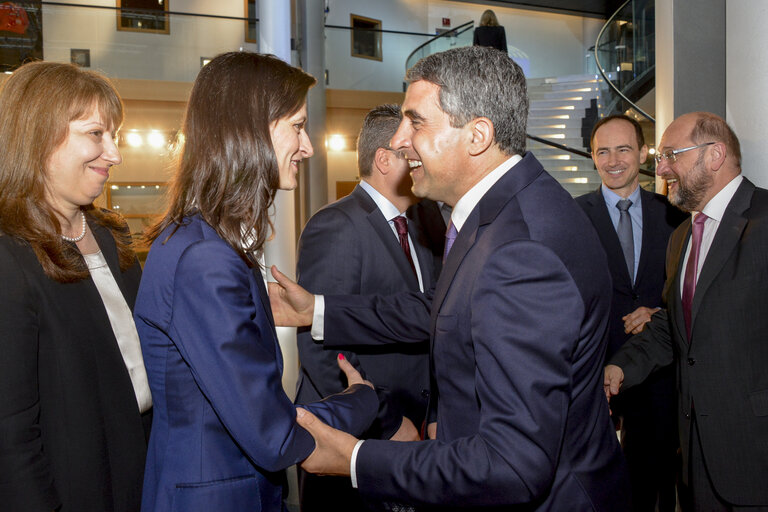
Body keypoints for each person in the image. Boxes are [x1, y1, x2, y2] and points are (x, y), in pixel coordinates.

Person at [269, 45, 630, 510]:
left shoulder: (522, 248)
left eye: (415, 122)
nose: (399, 141)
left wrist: (357, 457)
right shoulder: (500, 213)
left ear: (478, 135)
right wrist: (317, 309)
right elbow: (442, 307)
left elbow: (512, 465)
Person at [133, 52, 378, 512]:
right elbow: (273, 433)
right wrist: (361, 400)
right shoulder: (204, 258)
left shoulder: (207, 244)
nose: (307, 147)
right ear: (251, 129)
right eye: (298, 126)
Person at [0, 61, 152, 511]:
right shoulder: (9, 254)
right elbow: (11, 436)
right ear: (39, 134)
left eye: (115, 136)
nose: (114, 154)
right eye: (95, 134)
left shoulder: (111, 234)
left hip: (143, 466)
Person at [605, 112, 768, 510]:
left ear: (715, 155)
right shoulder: (682, 236)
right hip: (697, 462)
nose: (660, 168)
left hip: (757, 455)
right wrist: (621, 367)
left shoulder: (764, 220)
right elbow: (674, 327)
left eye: (672, 155)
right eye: (661, 157)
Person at [294, 104, 445, 511]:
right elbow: (323, 346)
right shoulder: (336, 225)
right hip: (358, 435)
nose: (419, 159)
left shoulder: (422, 222)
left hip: (417, 431)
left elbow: (428, 321)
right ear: (383, 159)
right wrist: (387, 420)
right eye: (409, 152)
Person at [576, 114, 686, 511]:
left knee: (653, 485)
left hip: (659, 374)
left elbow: (691, 288)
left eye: (623, 149)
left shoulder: (676, 215)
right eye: (602, 151)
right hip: (596, 375)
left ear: (642, 153)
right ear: (592, 157)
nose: (613, 160)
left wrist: (659, 311)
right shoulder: (573, 218)